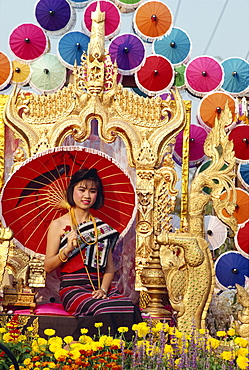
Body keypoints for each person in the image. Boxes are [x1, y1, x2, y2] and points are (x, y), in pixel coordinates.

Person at [44, 168, 142, 339]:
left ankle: (127, 355)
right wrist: (66, 250)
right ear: (72, 191)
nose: (87, 195)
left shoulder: (101, 228)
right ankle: (89, 349)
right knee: (103, 308)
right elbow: (48, 266)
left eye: (92, 191)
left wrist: (103, 289)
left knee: (128, 306)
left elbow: (109, 269)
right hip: (72, 289)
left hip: (99, 288)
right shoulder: (58, 225)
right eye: (82, 190)